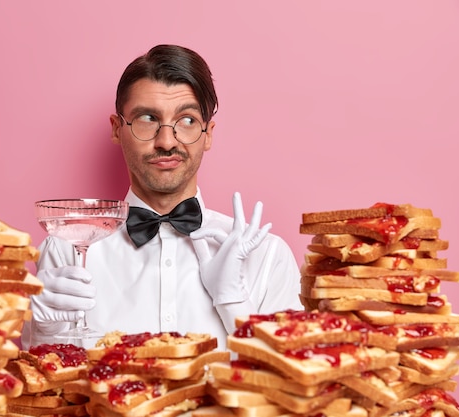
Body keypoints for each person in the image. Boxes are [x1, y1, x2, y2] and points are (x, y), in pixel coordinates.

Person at [22, 44, 302, 349]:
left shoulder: (266, 257)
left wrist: (232, 301)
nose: (166, 141)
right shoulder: (70, 249)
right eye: (147, 119)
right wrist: (41, 329)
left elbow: (284, 383)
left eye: (187, 121)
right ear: (117, 129)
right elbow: (49, 380)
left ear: (208, 134)